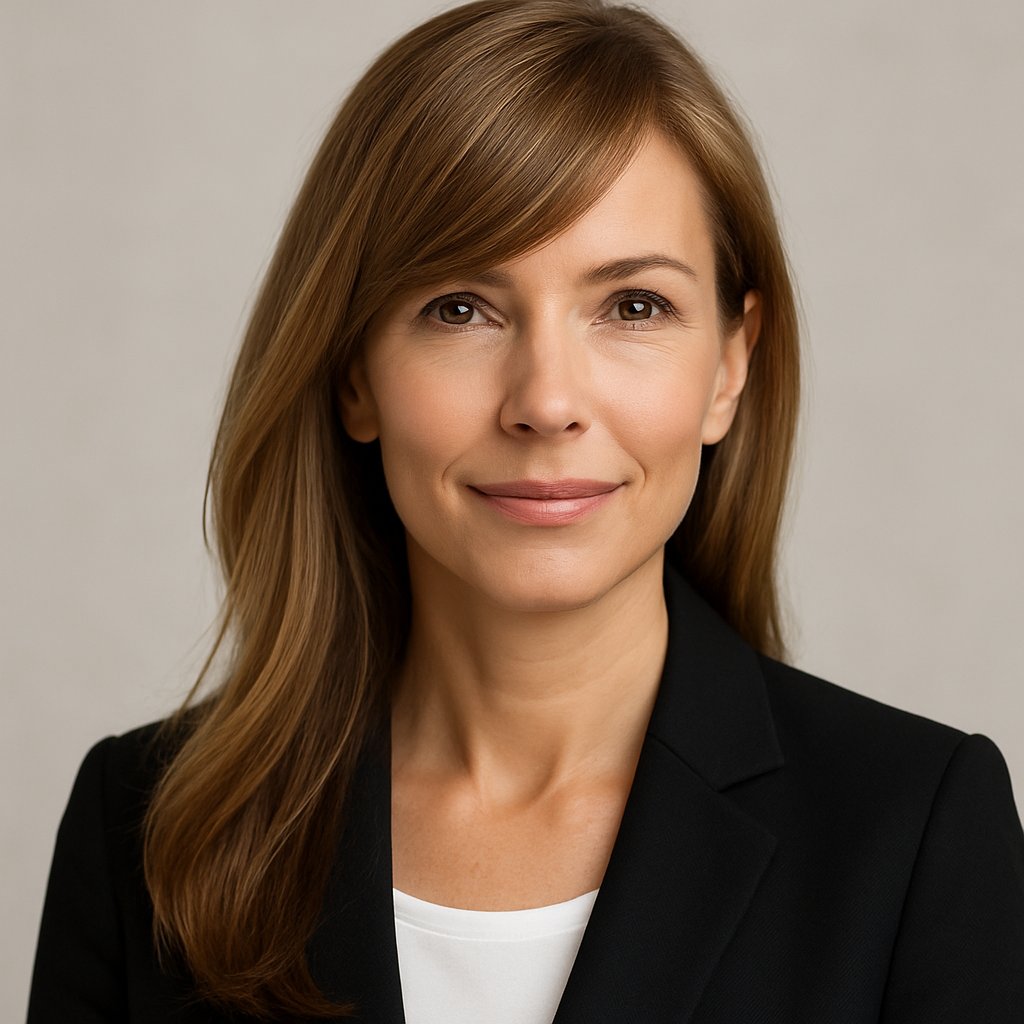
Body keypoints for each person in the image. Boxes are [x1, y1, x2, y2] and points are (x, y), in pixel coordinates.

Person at [27, 1, 1024, 1021]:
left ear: (729, 365)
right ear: (353, 373)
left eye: (633, 306)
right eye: (460, 308)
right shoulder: (142, 828)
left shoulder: (912, 830)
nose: (546, 402)